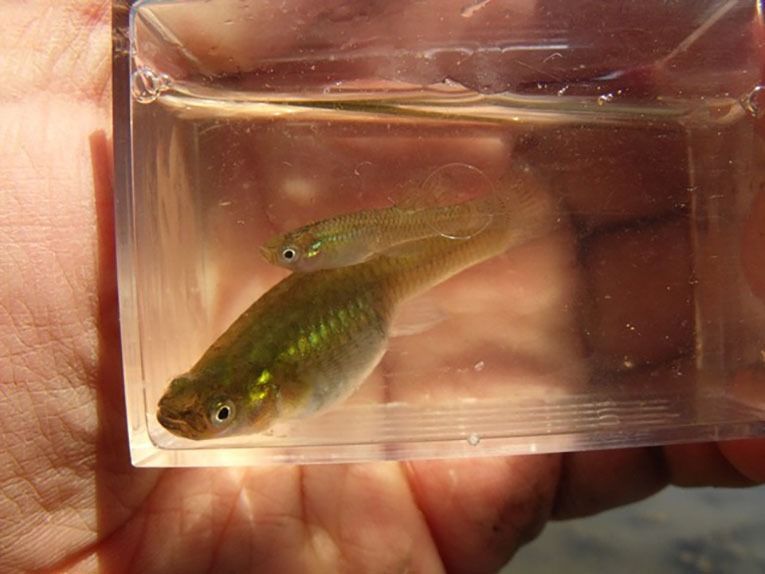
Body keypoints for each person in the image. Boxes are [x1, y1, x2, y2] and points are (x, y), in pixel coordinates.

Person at [1, 1, 764, 572]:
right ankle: (494, 225)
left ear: (257, 396)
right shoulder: (254, 380)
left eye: (221, 413)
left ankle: (496, 223)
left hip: (367, 300)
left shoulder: (286, 362)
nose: (194, 421)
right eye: (211, 410)